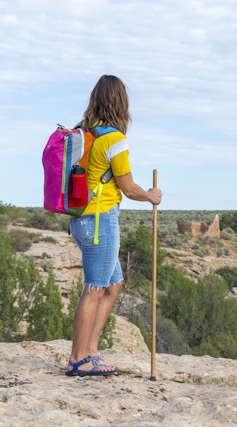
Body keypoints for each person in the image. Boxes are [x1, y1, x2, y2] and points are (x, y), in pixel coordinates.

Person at [65, 75, 162, 377]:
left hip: (80, 219)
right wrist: (150, 196)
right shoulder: (114, 140)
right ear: (121, 104)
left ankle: (91, 351)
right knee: (94, 288)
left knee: (114, 284)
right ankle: (78, 359)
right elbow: (129, 187)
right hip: (100, 222)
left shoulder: (81, 134)